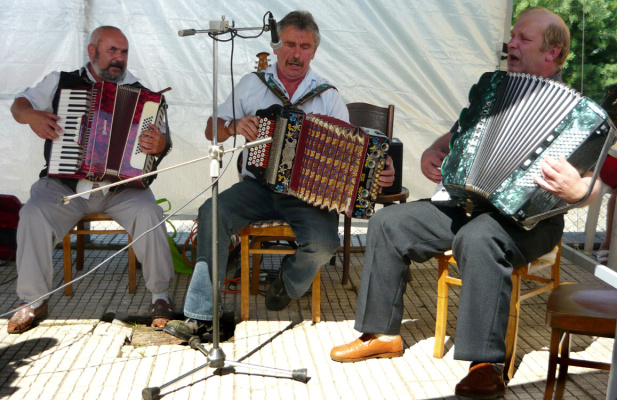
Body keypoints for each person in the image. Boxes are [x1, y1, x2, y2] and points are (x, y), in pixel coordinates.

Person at [330, 7, 600, 398]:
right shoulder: (494, 90)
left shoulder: (579, 113)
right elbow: (455, 134)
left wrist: (578, 191)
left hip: (532, 222)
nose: (511, 43)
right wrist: (433, 151)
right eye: (512, 35)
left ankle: (485, 364)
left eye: (523, 38)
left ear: (553, 52)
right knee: (388, 223)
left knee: (478, 238)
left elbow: (597, 183)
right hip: (470, 203)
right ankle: (381, 334)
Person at [164, 10, 395, 340]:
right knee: (210, 212)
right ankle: (200, 316)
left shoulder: (327, 95)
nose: (296, 53)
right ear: (276, 47)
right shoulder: (252, 84)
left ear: (314, 52)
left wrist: (380, 170)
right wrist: (233, 126)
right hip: (256, 189)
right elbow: (211, 129)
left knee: (325, 244)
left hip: (307, 198)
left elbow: (355, 152)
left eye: (304, 46)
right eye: (289, 44)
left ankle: (288, 282)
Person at [8, 26, 175, 334]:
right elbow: (19, 105)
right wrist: (31, 116)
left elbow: (163, 142)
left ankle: (161, 296)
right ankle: (33, 300)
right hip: (64, 185)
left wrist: (160, 143)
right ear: (92, 51)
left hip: (119, 188)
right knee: (32, 213)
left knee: (150, 213)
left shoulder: (142, 95)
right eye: (112, 50)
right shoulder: (61, 82)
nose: (119, 58)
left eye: (124, 52)